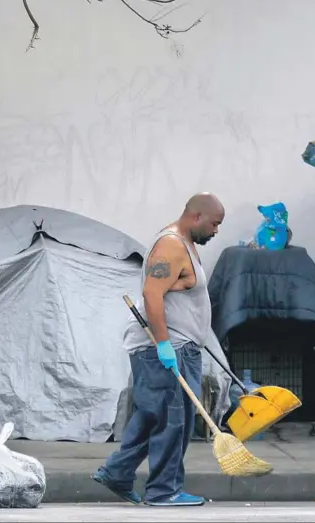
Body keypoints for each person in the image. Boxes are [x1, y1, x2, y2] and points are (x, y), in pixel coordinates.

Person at [93, 192, 225, 507]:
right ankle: (164, 490)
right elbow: (153, 295)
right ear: (196, 217)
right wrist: (164, 344)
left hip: (182, 345)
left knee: (156, 415)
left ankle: (118, 472)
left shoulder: (185, 242)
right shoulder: (170, 246)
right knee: (172, 420)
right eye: (215, 224)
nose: (217, 231)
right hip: (166, 346)